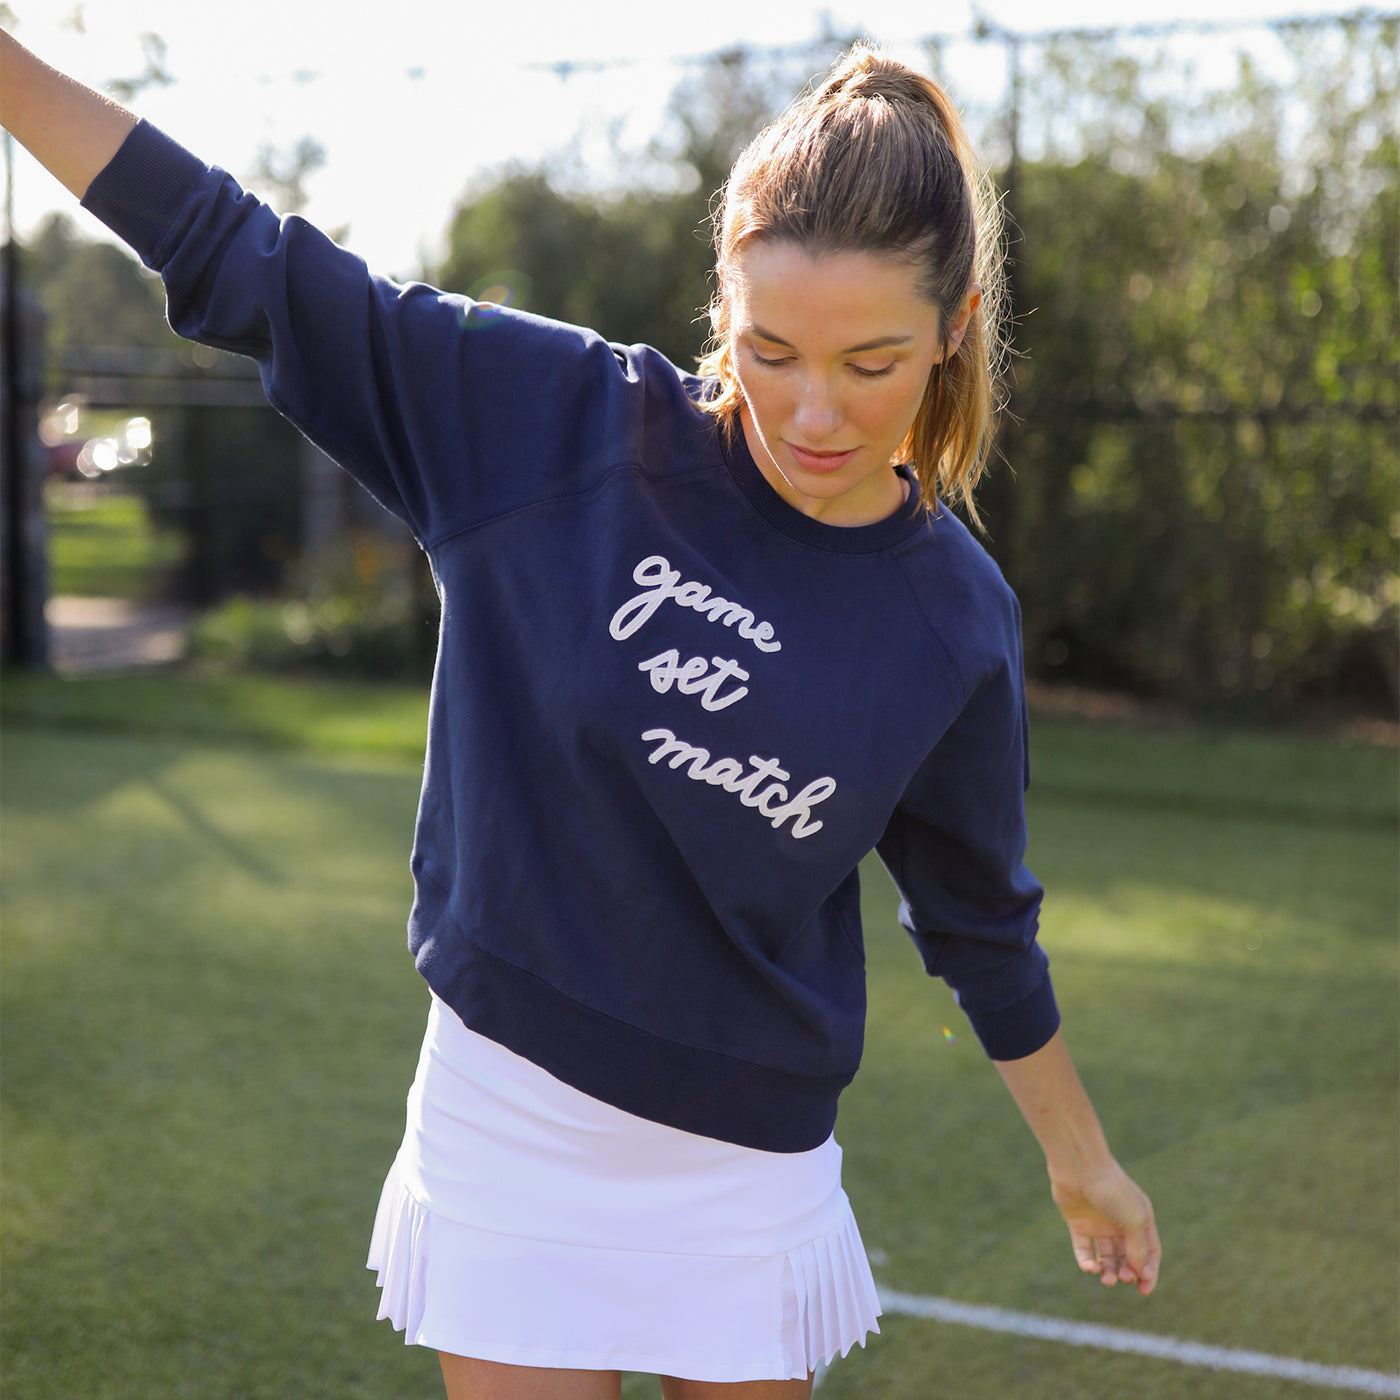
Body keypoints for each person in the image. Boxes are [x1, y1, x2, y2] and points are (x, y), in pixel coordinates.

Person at [1, 29, 1160, 1400]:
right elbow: (236, 251)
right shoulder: (552, 424)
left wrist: (1083, 1162)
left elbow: (980, 920)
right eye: (769, 346)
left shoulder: (955, 619)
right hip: (512, 1110)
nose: (812, 411)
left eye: (872, 362)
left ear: (956, 328)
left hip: (747, 1158)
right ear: (719, 296)